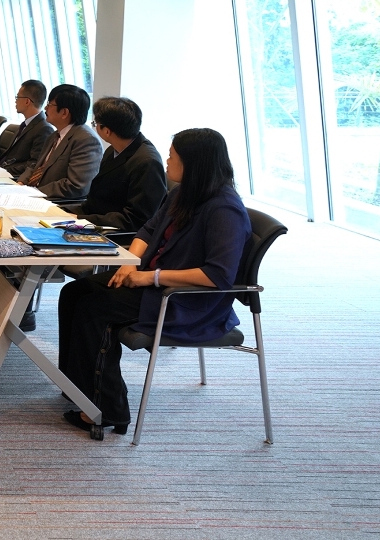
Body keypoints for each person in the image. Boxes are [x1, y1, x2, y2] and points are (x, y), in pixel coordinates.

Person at [57, 128, 251, 436]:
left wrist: (150, 276)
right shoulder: (182, 193)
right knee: (74, 292)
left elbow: (217, 275)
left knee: (94, 308)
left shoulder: (224, 209)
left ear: (193, 163)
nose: (167, 160)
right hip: (154, 282)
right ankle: (78, 388)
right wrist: (130, 263)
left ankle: (107, 409)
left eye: (173, 156)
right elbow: (148, 231)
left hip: (185, 299)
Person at [71, 97, 168, 231]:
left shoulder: (147, 162)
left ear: (107, 131)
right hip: (97, 222)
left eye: (95, 123)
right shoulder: (113, 150)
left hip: (116, 234)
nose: (95, 127)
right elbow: (96, 202)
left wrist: (81, 219)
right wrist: (66, 214)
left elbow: (136, 219)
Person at [20, 83, 101, 199]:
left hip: (55, 202)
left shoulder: (86, 140)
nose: (45, 108)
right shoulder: (55, 135)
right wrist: (21, 182)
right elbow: (37, 165)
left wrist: (34, 192)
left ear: (64, 113)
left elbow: (76, 186)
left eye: (50, 104)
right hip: (34, 196)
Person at [0, 80, 55, 177]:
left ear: (27, 101)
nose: (15, 101)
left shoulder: (44, 128)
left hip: (15, 177)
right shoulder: (26, 124)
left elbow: (34, 164)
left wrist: (3, 170)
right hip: (3, 171)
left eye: (17, 97)